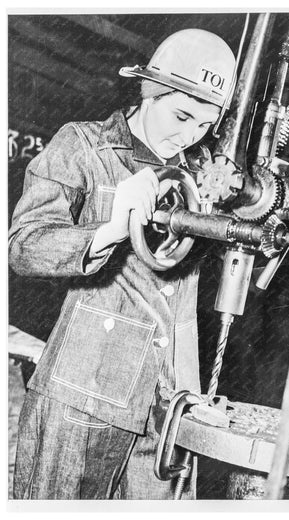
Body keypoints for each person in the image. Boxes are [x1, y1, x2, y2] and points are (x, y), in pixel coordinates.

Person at [9, 28, 236, 500]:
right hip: (83, 400)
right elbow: (23, 246)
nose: (189, 135)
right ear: (150, 92)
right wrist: (110, 230)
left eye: (204, 126)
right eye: (181, 116)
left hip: (172, 409)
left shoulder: (202, 174)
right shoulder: (84, 148)